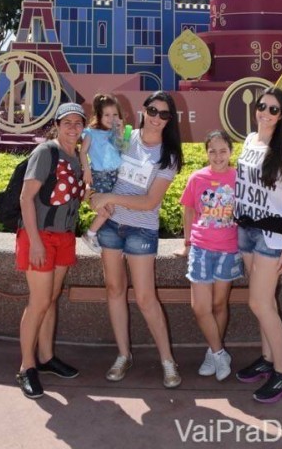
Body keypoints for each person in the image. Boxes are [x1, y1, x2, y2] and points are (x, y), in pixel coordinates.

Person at [90, 91, 184, 388]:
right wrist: (93, 193)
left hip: (141, 229)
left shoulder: (169, 156)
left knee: (145, 297)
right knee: (114, 289)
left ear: (170, 120)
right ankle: (123, 354)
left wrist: (110, 197)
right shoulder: (124, 136)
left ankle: (168, 360)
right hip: (110, 225)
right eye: (153, 111)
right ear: (143, 110)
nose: (157, 118)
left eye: (164, 114)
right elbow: (100, 166)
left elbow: (148, 202)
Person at [233, 86, 282, 403]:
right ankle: (267, 360)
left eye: (274, 109)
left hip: (271, 236)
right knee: (267, 302)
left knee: (258, 303)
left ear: (281, 115)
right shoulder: (249, 140)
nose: (266, 113)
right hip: (247, 229)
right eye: (263, 106)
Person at [16, 102, 87, 400]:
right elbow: (25, 198)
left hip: (64, 236)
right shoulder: (47, 152)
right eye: (66, 122)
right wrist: (35, 242)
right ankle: (26, 367)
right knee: (39, 301)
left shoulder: (76, 156)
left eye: (77, 122)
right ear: (57, 125)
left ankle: (46, 357)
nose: (72, 127)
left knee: (51, 299)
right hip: (40, 236)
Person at [179, 130, 243, 381]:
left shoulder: (239, 178)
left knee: (219, 305)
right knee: (200, 307)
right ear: (206, 153)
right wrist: (186, 243)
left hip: (229, 249)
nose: (218, 156)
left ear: (231, 152)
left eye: (223, 151)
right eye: (212, 151)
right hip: (201, 248)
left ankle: (211, 352)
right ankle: (219, 353)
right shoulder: (197, 178)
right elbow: (188, 212)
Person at [80, 93, 125, 254]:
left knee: (111, 209)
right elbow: (82, 152)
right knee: (106, 210)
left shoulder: (118, 132)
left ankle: (95, 233)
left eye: (115, 115)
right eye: (107, 115)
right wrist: (86, 171)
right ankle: (90, 234)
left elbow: (122, 150)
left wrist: (119, 132)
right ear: (99, 115)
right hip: (99, 176)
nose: (111, 118)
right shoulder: (91, 133)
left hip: (115, 176)